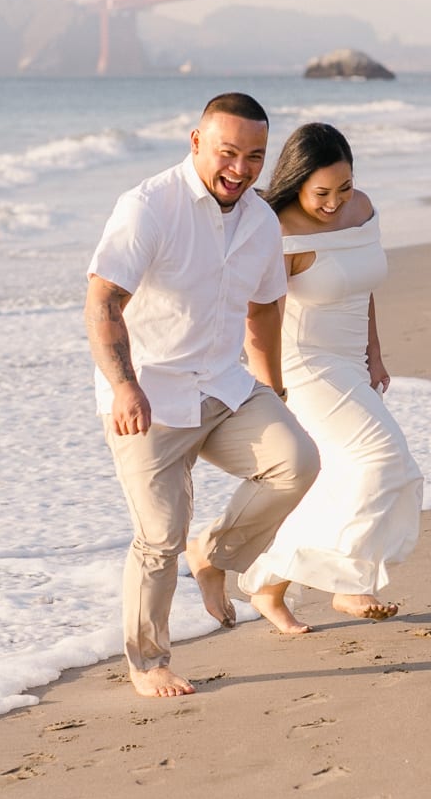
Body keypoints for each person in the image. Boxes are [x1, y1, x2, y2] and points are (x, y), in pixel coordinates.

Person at [85, 93, 321, 698]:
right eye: (228, 152)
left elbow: (264, 308)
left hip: (224, 386)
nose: (240, 169)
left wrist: (272, 389)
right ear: (196, 142)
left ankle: (213, 555)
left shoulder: (262, 221)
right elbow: (103, 300)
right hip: (151, 396)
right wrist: (123, 386)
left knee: (296, 461)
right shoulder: (147, 208)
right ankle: (148, 662)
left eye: (255, 157)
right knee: (159, 536)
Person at [237, 123, 424, 633]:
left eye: (344, 187)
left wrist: (375, 354)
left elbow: (362, 286)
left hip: (351, 361)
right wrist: (269, 391)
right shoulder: (277, 232)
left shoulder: (361, 210)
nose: (335, 202)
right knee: (383, 461)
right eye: (322, 192)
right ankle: (347, 586)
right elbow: (259, 319)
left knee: (357, 473)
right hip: (305, 365)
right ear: (297, 182)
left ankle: (269, 582)